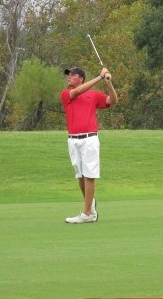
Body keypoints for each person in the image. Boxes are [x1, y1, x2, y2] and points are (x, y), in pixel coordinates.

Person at [60, 66, 118, 223]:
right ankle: (90, 206)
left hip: (89, 139)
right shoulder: (66, 94)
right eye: (68, 75)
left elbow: (112, 100)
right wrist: (99, 77)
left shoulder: (93, 95)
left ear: (81, 79)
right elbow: (77, 92)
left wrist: (108, 83)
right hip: (73, 140)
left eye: (73, 75)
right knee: (80, 175)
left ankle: (87, 214)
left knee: (89, 175)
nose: (69, 77)